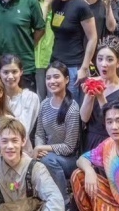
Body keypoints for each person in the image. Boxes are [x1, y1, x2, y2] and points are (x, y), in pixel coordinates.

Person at [33, 62, 82, 203]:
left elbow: (69, 147)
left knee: (48, 160)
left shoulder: (72, 109)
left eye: (56, 77)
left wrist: (42, 148)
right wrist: (40, 148)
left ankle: (63, 201)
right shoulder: (44, 104)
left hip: (69, 159)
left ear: (66, 79)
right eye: (48, 78)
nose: (52, 81)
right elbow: (39, 133)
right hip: (48, 153)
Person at [47, 0, 98, 96]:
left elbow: (92, 38)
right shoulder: (56, 3)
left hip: (74, 66)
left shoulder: (81, 6)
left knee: (71, 106)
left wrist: (84, 68)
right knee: (54, 104)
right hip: (55, 64)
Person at [79, 38, 119, 151]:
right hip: (91, 140)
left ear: (118, 62)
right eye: (100, 59)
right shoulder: (91, 81)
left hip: (113, 142)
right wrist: (89, 96)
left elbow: (116, 122)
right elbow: (84, 118)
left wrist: (101, 97)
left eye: (109, 59)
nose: (103, 64)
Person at [0, 54, 40, 134]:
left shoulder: (31, 97)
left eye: (14, 72)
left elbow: (25, 128)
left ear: (21, 72)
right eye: (6, 72)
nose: (10, 76)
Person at [32, 0, 55, 97]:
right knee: (39, 99)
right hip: (38, 58)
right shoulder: (31, 1)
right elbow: (36, 27)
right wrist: (45, 5)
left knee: (55, 99)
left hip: (56, 57)